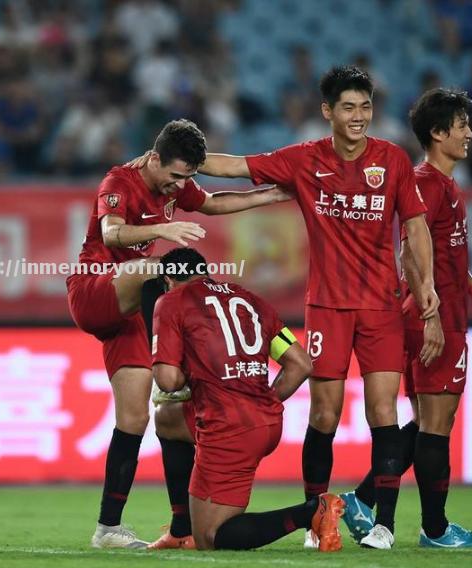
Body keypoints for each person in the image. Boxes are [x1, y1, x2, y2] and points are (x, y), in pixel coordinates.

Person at [157, 66, 441, 549]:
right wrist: (180, 159)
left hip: (380, 307)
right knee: (324, 417)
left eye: (366, 107)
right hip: (327, 307)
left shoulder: (391, 159)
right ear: (328, 112)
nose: (359, 117)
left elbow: (415, 226)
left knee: (382, 412)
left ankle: (383, 525)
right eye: (348, 107)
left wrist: (427, 284)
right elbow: (235, 166)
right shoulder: (304, 159)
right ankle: (319, 519)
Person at [67, 118, 289, 549]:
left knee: (139, 418)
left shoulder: (175, 182)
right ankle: (169, 373)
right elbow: (111, 231)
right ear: (153, 159)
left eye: (185, 178)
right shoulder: (119, 180)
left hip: (132, 310)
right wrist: (162, 230)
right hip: (95, 289)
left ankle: (110, 528)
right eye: (173, 177)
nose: (178, 187)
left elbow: (213, 203)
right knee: (163, 269)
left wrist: (270, 195)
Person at [339, 88, 472, 548]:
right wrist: (431, 314)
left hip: (434, 311)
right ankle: (435, 529)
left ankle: (361, 499)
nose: (469, 133)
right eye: (461, 125)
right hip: (436, 318)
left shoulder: (441, 183)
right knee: (437, 426)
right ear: (437, 132)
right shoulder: (427, 183)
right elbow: (409, 250)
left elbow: (445, 255)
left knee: (425, 423)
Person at [151, 247, 344, 552]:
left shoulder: (172, 301)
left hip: (228, 427)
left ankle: (311, 512)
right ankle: (179, 529)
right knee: (166, 419)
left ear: (169, 279)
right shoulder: (252, 302)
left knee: (211, 539)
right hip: (265, 419)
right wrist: (263, 402)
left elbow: (167, 380)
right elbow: (301, 364)